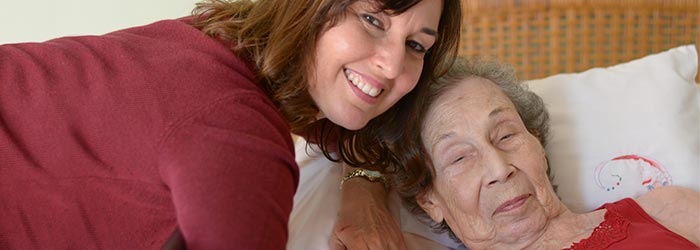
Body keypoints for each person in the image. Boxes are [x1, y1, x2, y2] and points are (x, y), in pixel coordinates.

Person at [0, 0, 462, 248]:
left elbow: (354, 132)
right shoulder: (243, 140)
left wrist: (363, 183)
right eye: (371, 19)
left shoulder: (207, 41)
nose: (391, 64)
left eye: (417, 45)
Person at [386, 58, 700, 249]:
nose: (499, 169)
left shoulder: (666, 211)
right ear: (430, 201)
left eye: (506, 135)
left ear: (537, 144)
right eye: (459, 157)